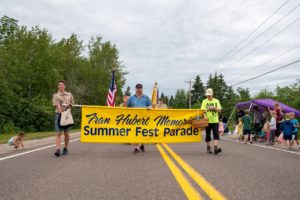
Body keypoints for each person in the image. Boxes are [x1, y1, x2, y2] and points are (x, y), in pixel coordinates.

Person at [127, 83, 152, 154]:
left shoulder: (146, 97)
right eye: (137, 89)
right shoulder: (131, 98)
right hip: (134, 119)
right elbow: (127, 108)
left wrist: (150, 107)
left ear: (142, 89)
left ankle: (142, 145)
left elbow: (150, 105)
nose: (139, 90)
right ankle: (136, 148)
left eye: (140, 89)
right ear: (135, 89)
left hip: (144, 119)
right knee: (135, 132)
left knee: (143, 132)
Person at [52, 80, 74, 157]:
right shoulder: (56, 95)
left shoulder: (69, 94)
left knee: (66, 133)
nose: (61, 86)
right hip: (59, 115)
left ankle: (65, 148)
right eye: (59, 85)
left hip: (67, 115)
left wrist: (69, 106)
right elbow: (57, 105)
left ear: (64, 86)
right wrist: (61, 113)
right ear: (58, 86)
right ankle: (58, 149)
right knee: (58, 133)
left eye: (62, 85)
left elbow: (72, 104)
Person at [201, 88, 222, 155]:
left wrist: (213, 108)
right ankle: (208, 147)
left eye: (210, 95)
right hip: (207, 121)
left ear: (212, 94)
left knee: (216, 134)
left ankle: (215, 148)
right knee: (208, 134)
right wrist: (204, 115)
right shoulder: (204, 101)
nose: (209, 96)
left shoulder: (216, 101)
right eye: (207, 95)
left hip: (215, 120)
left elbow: (219, 110)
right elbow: (202, 110)